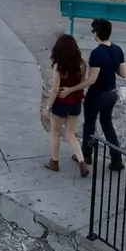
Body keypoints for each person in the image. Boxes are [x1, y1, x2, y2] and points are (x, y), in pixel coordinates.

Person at [60, 18, 126, 171]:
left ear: (96, 33)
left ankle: (86, 155)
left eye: (92, 31)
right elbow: (123, 73)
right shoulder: (117, 49)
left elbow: (91, 80)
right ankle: (117, 160)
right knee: (107, 125)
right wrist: (111, 66)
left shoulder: (97, 53)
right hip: (112, 94)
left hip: (97, 95)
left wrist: (71, 89)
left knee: (90, 125)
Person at [41, 34, 89, 176]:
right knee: (70, 134)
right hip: (75, 103)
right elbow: (81, 83)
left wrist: (47, 107)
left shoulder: (58, 66)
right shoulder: (82, 64)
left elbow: (55, 90)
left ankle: (54, 162)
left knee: (55, 133)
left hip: (60, 104)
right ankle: (81, 162)